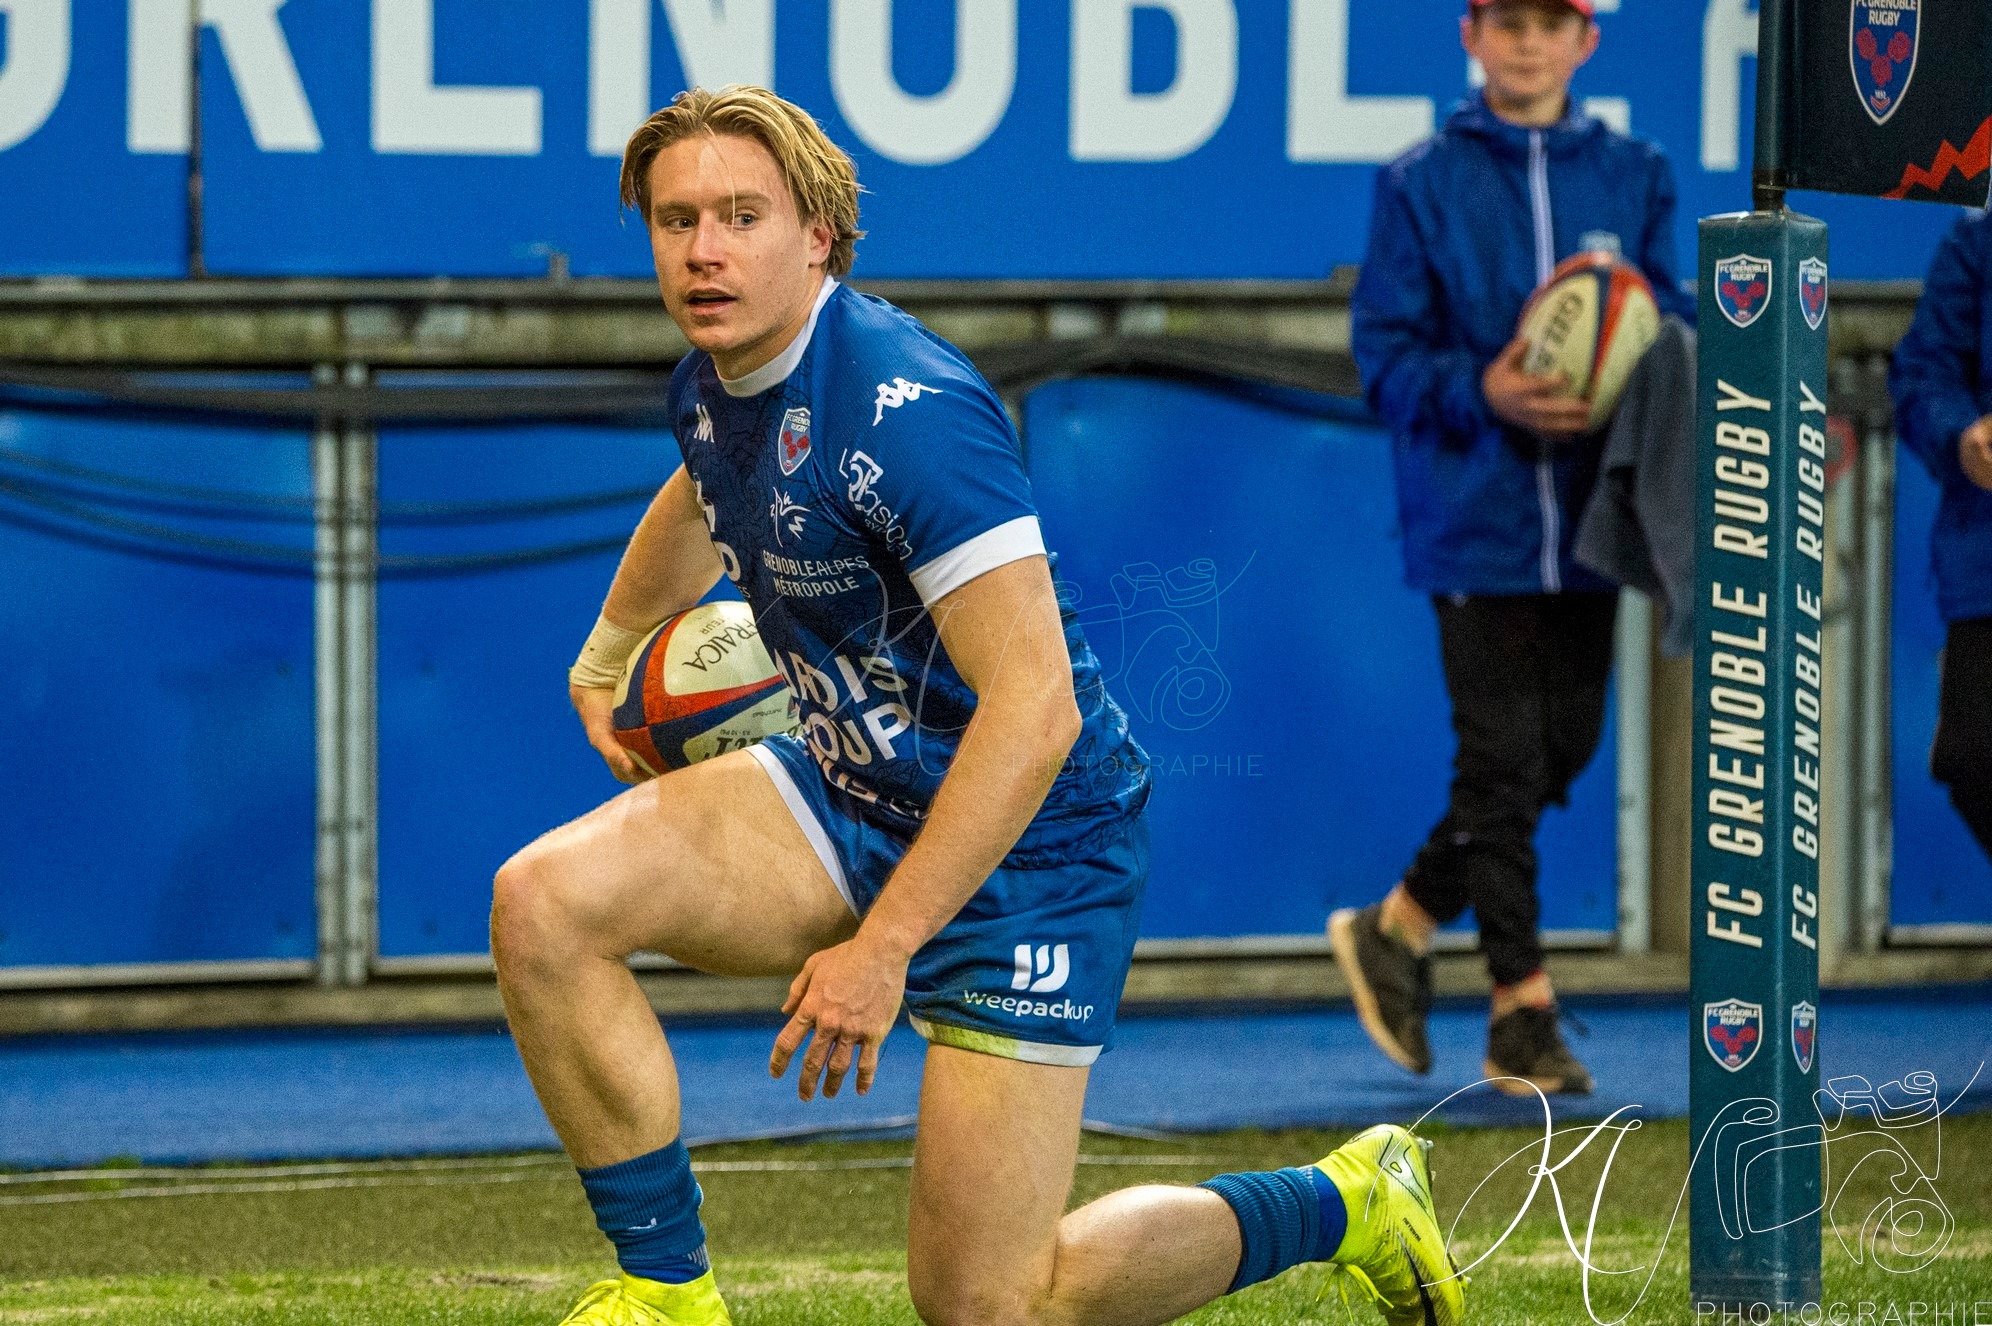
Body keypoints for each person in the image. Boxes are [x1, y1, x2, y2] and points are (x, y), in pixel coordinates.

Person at [493, 86, 1465, 1326]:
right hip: (850, 786)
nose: (705, 248)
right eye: (678, 220)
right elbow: (700, 486)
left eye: (742, 215)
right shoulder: (715, 374)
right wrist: (609, 652)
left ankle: (1347, 1200)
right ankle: (667, 1301)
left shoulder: (909, 412)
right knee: (544, 906)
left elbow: (1036, 709)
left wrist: (883, 948)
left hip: (1036, 847)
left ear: (819, 236)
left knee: (989, 1306)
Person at [1337, 0, 1693, 1096]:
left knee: (1560, 755)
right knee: (1501, 762)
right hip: (1473, 522)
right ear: (1470, 34)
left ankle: (1400, 922)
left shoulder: (1636, 173)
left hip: (1597, 521)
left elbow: (1673, 325)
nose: (1529, 41)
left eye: (1553, 21)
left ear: (1588, 42)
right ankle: (1519, 1015)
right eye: (1508, 20)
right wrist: (1481, 388)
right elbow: (1384, 357)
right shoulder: (1418, 179)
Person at [1887, 211, 1992, 863]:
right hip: (1985, 555)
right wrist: (1965, 439)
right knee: (1972, 757)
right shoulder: (1976, 242)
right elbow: (1922, 375)